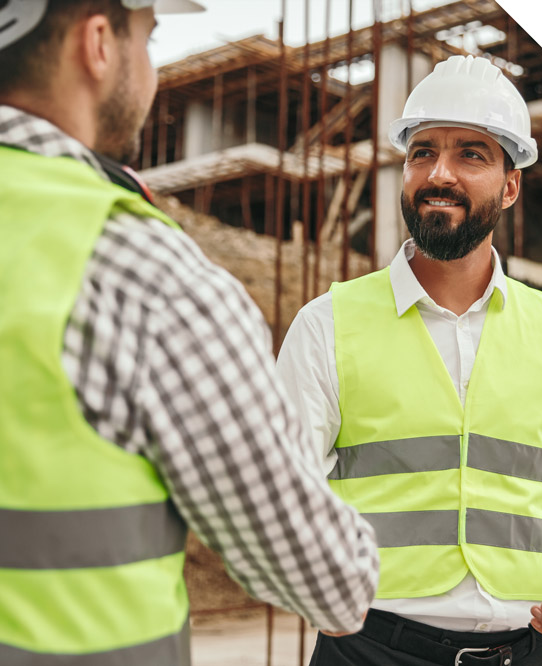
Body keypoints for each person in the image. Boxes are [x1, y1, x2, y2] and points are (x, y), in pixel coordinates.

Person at [0, 1, 378, 664]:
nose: (151, 72)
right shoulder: (139, 271)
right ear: (97, 44)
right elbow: (330, 582)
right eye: (149, 39)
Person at [277, 55, 542, 666]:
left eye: (471, 153)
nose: (440, 173)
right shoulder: (328, 324)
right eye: (422, 152)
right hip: (370, 649)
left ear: (510, 185)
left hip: (533, 650)